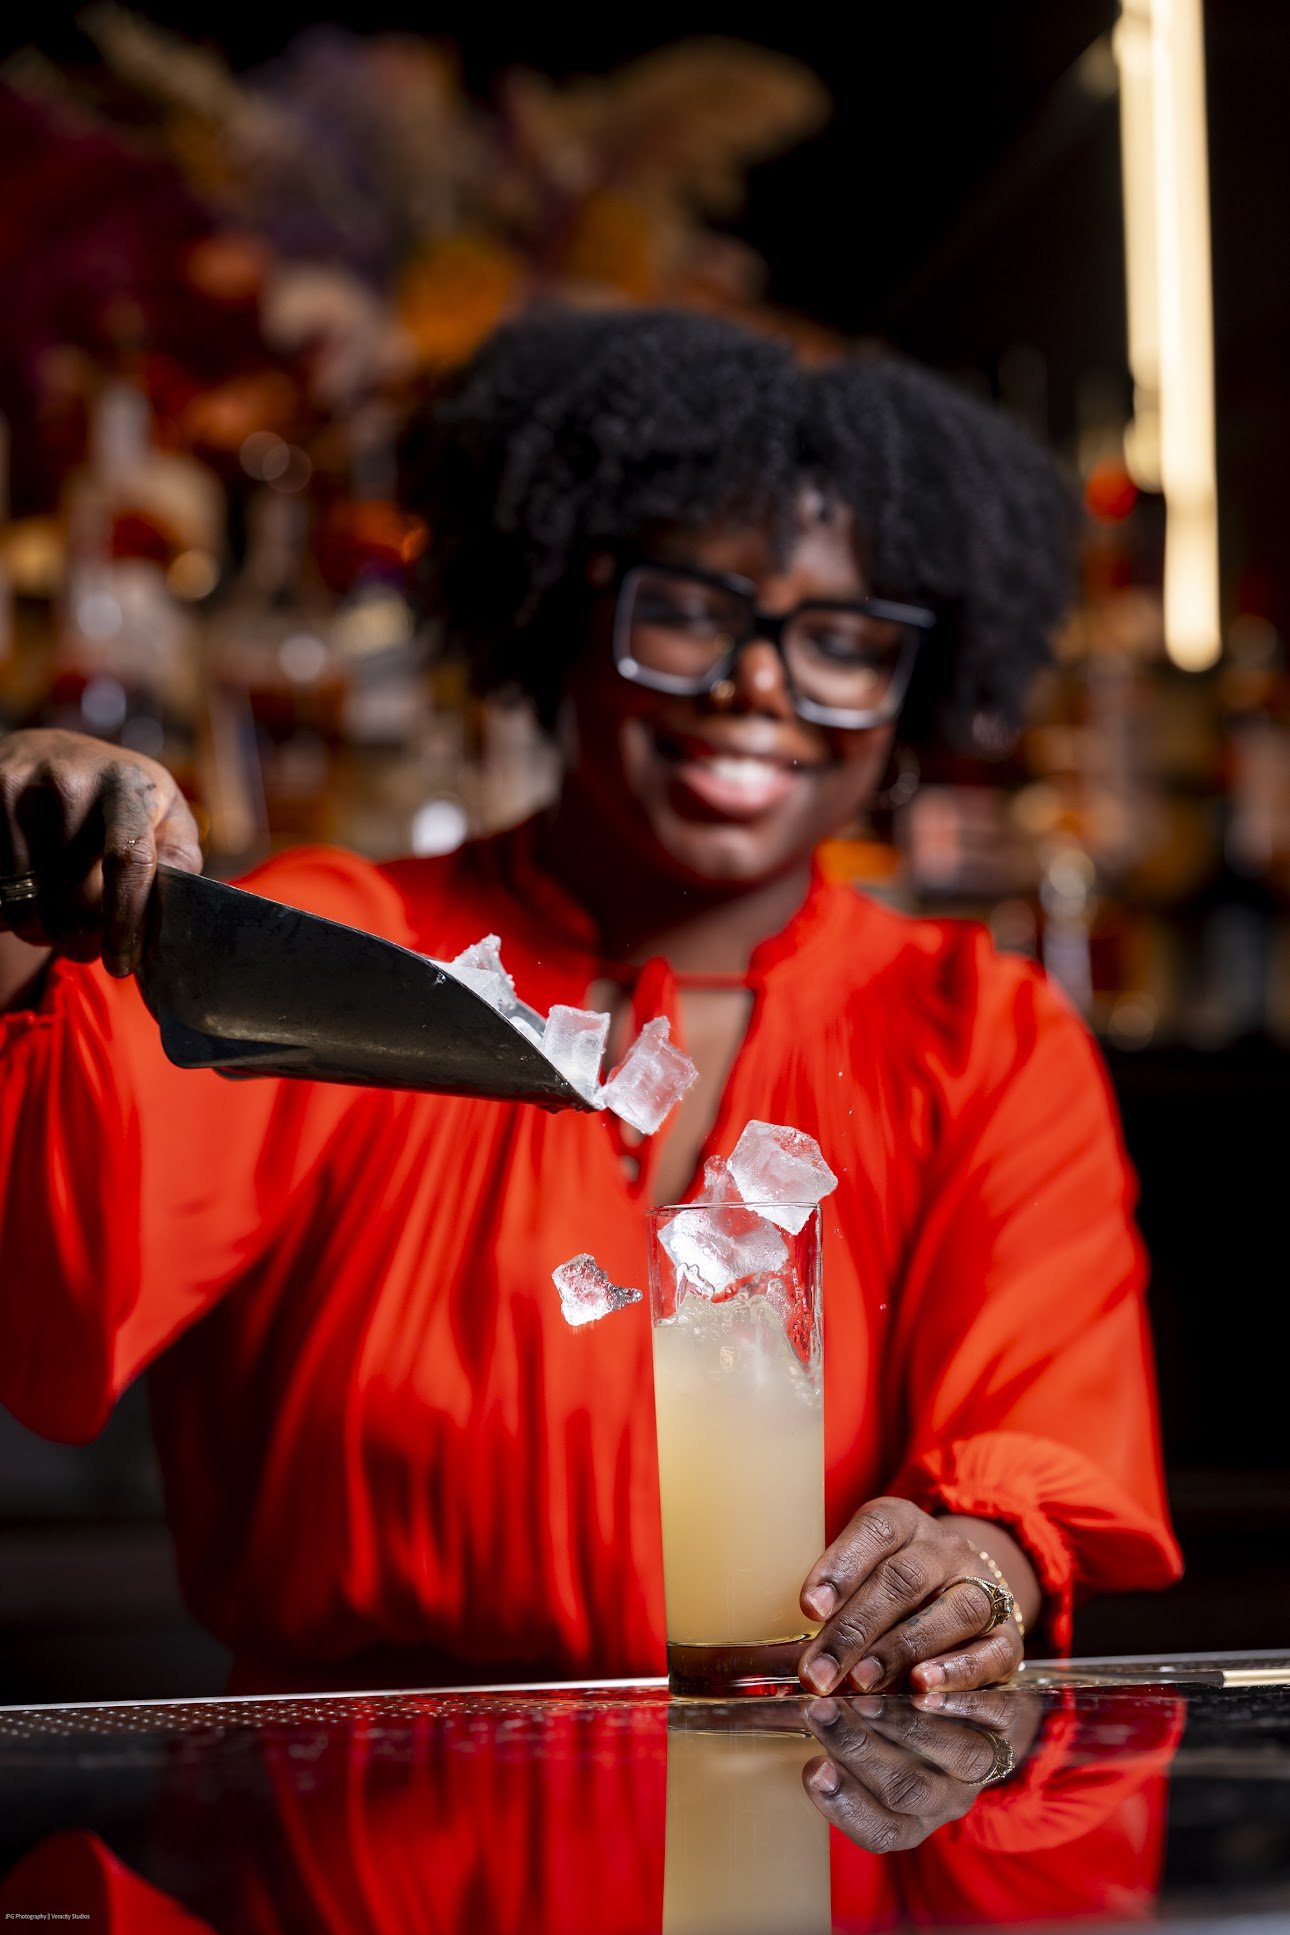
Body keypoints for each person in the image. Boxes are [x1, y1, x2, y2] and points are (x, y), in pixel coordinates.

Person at [0, 310, 1180, 1725]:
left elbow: (1043, 1440)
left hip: (804, 1829)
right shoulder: (330, 949)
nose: (759, 684)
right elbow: (53, 1273)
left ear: (910, 691)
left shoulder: (978, 1031)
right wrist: (16, 907)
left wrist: (972, 1572)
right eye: (689, 610)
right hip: (348, 1856)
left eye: (842, 641)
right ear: (561, 607)